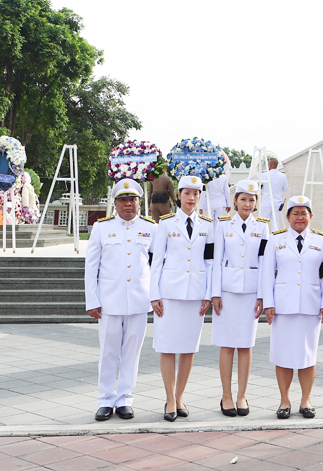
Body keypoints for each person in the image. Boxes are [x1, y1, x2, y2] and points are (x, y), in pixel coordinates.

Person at [84, 178, 156, 421]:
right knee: (108, 352)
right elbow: (91, 266)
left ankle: (125, 398)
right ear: (115, 203)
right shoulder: (102, 228)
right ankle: (105, 400)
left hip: (139, 300)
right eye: (123, 200)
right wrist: (92, 300)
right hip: (109, 301)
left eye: (132, 199)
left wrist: (155, 296)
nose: (128, 204)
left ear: (139, 202)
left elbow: (157, 266)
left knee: (132, 353)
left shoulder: (151, 228)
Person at [150, 175, 215, 421]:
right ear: (178, 195)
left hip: (196, 295)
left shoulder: (207, 225)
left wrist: (208, 294)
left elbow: (210, 263)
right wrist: (154, 294)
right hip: (169, 295)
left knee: (188, 348)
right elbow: (156, 262)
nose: (191, 198)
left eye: (196, 194)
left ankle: (179, 397)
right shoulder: (166, 223)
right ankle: (169, 398)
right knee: (167, 347)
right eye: (187, 193)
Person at [263, 195, 323, 419]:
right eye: (295, 213)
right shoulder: (276, 239)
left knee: (308, 356)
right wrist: (268, 303)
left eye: (304, 213)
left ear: (311, 216)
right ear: (288, 217)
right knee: (282, 355)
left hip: (311, 305)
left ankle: (306, 400)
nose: (300, 217)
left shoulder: (321, 240)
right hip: (282, 307)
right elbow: (267, 273)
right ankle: (284, 401)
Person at [211, 179, 270, 417]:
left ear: (256, 203)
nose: (247, 203)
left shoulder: (262, 227)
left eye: (251, 200)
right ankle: (226, 396)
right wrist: (215, 293)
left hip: (251, 294)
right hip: (226, 293)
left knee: (246, 345)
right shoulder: (224, 225)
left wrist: (262, 296)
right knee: (227, 345)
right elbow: (216, 260)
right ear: (235, 201)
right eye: (243, 199)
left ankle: (241, 395)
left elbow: (265, 264)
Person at [260, 156, 290, 230]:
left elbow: (259, 187)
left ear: (269, 165)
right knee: (275, 223)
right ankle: (275, 236)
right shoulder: (282, 176)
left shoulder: (264, 174)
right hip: (277, 202)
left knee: (263, 222)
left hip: (266, 202)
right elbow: (286, 189)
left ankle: (262, 237)